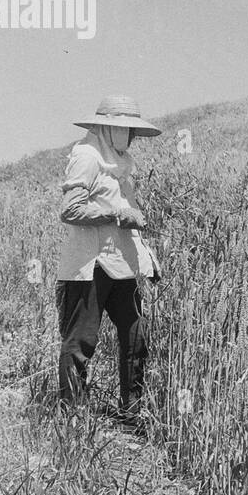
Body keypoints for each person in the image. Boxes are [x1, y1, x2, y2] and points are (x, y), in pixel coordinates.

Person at [55, 95, 161, 424]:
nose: (131, 137)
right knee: (81, 342)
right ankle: (73, 416)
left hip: (122, 264)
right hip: (89, 265)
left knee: (136, 335)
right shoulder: (86, 155)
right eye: (127, 129)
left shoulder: (122, 162)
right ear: (109, 128)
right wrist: (116, 213)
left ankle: (133, 410)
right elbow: (70, 210)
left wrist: (148, 255)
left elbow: (129, 214)